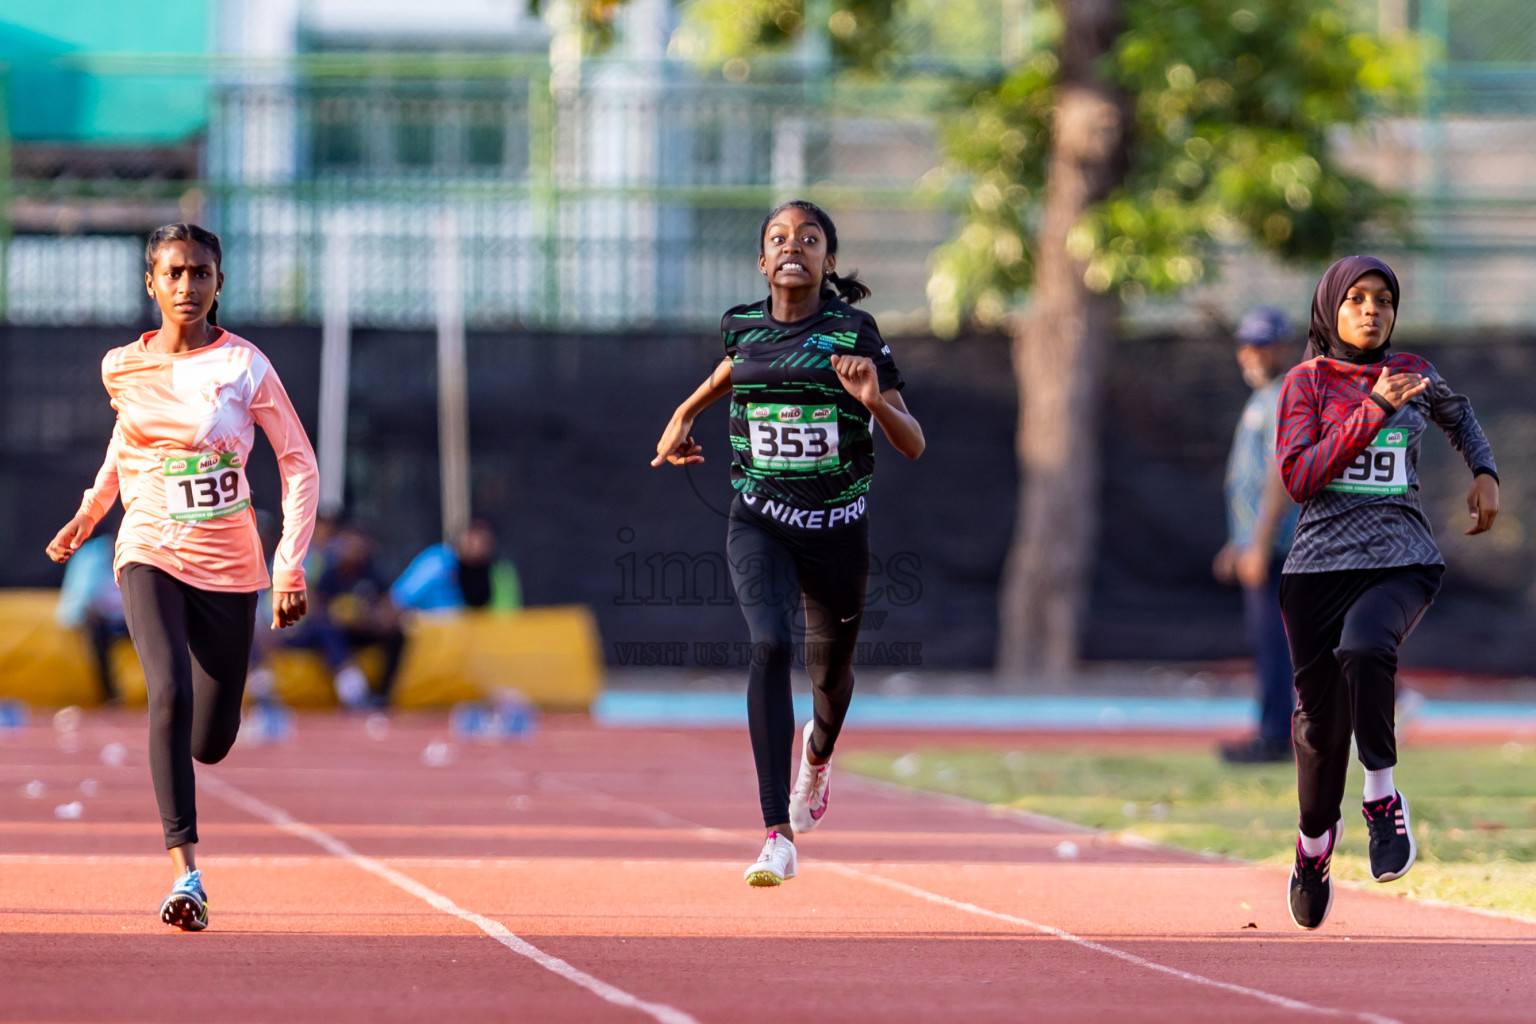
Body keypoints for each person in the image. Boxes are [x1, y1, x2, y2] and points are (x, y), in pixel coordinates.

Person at [45, 223, 318, 932]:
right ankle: (186, 872)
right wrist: (88, 513)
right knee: (164, 690)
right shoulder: (120, 367)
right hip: (148, 547)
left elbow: (299, 464)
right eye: (173, 273)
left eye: (200, 273)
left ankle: (200, 759)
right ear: (151, 285)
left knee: (210, 740)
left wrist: (289, 563)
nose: (187, 286)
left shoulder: (247, 367)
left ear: (218, 283)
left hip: (230, 565)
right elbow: (123, 448)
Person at [651, 200, 925, 886]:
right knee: (769, 645)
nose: (792, 245)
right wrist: (684, 413)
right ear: (763, 259)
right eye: (778, 237)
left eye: (809, 237)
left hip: (837, 534)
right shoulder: (741, 326)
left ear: (828, 260)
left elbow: (914, 444)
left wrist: (876, 403)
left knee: (830, 681)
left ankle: (820, 757)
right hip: (761, 522)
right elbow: (734, 368)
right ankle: (776, 834)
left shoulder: (853, 333)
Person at [1276, 255, 1498, 930]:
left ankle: (1381, 797)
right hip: (1316, 572)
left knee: (1369, 647)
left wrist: (1484, 471)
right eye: (1357, 300)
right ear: (1331, 309)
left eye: (1383, 300)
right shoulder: (1307, 383)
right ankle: (1315, 844)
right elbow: (1301, 478)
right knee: (1319, 730)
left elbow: (1461, 418)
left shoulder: (1416, 374)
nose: (1372, 310)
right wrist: (1372, 410)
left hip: (1400, 559)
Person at [1212, 308, 1300, 763]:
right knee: (1272, 642)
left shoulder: (1284, 394)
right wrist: (1239, 542)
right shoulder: (1263, 397)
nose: (1251, 354)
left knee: (1276, 643)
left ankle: (1276, 736)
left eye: (1262, 345)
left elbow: (1279, 475)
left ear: (1282, 347)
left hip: (1280, 548)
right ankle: (1275, 731)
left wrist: (1259, 543)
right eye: (1246, 344)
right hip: (1262, 545)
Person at [54, 530, 127, 704]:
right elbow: (79, 601)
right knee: (94, 636)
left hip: (135, 620)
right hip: (105, 623)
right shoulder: (93, 558)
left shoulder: (139, 556)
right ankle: (111, 696)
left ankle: (162, 691)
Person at [391, 519, 522, 612]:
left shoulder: (499, 573)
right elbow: (400, 598)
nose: (476, 545)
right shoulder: (439, 563)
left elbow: (506, 616)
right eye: (472, 539)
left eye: (484, 542)